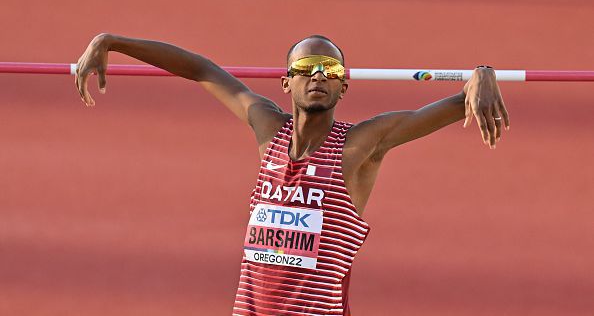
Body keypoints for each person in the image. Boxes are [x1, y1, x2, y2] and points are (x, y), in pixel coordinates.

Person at [75, 33, 509, 315]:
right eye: (306, 68)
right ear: (286, 83)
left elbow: (451, 104)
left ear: (344, 86)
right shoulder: (268, 128)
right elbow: (201, 69)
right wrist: (110, 41)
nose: (318, 75)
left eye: (331, 70)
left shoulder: (360, 146)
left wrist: (482, 75)